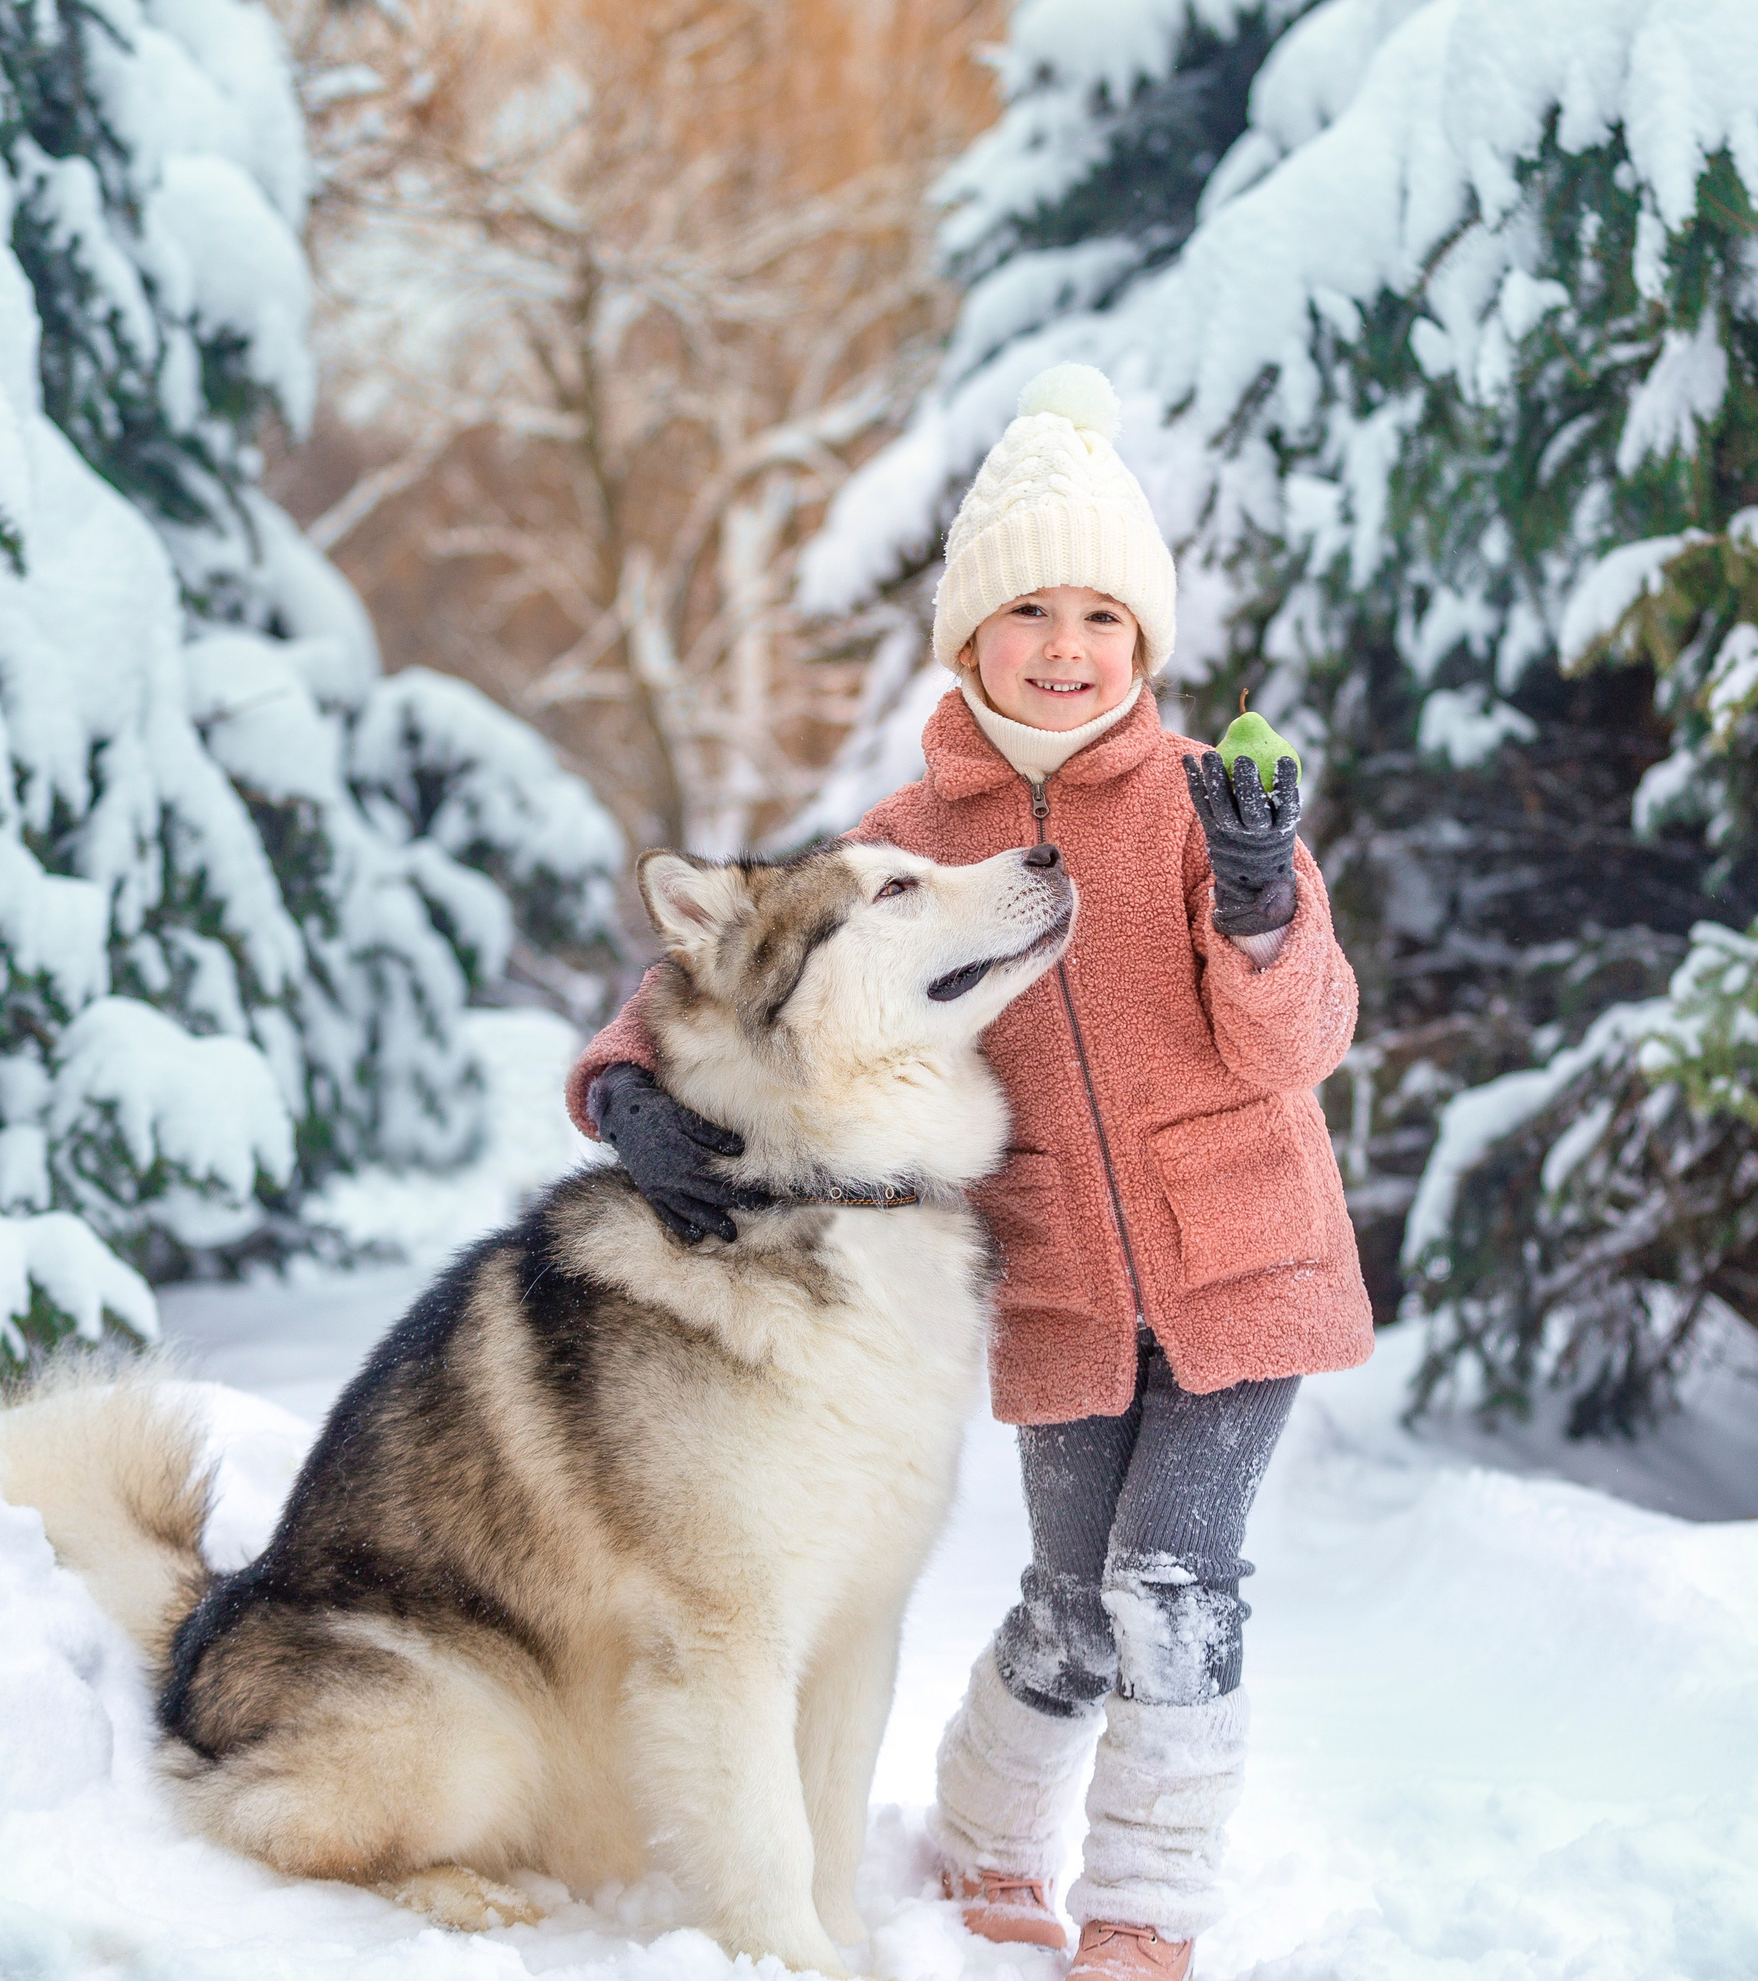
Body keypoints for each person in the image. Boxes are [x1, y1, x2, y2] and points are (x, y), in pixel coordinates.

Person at [562, 363, 1373, 1981]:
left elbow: (1301, 1038)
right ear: (970, 636)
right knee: (1070, 1600)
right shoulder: (909, 832)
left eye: (1103, 616)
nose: (1067, 646)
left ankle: (1144, 1907)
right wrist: (626, 1083)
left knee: (1170, 1582)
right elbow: (746, 961)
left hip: (1244, 1261)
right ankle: (990, 1839)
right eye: (1030, 612)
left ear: (1144, 641)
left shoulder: (1210, 806)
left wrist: (1262, 900)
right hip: (1054, 1275)